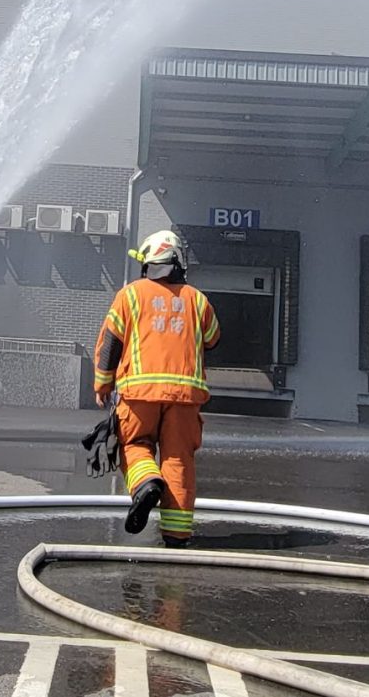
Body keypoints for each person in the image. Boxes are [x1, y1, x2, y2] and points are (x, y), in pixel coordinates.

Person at [94, 230, 220, 547]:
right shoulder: (198, 300)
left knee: (134, 445)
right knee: (178, 461)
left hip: (139, 395)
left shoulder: (131, 295)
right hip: (185, 400)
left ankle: (147, 483)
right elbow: (214, 338)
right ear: (179, 262)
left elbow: (110, 343)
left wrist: (102, 382)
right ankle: (177, 535)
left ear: (148, 262)